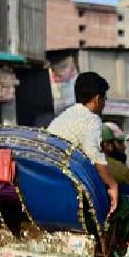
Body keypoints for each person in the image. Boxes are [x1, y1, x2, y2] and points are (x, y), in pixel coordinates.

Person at [47, 71, 119, 210]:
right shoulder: (91, 119)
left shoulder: (64, 116)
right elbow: (94, 155)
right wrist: (113, 185)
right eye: (105, 99)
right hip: (68, 184)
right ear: (98, 99)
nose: (104, 104)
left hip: (51, 176)